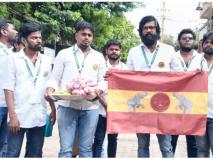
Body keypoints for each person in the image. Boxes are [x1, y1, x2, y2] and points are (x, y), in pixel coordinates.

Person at [45, 21, 107, 157]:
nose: (86, 37)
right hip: (67, 106)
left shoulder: (99, 56)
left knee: (86, 149)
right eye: (83, 34)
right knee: (66, 149)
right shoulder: (64, 54)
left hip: (91, 107)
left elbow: (104, 80)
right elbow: (54, 77)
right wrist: (50, 89)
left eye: (90, 35)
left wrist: (99, 90)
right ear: (76, 35)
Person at [126, 15, 183, 158]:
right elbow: (127, 77)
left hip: (163, 105)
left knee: (166, 146)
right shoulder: (133, 52)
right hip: (142, 106)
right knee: (142, 146)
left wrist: (195, 75)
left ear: (157, 30)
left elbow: (179, 75)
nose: (149, 30)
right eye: (145, 28)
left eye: (151, 27)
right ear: (140, 31)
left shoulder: (169, 50)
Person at [3, 22, 55, 157]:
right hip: (19, 115)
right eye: (34, 37)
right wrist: (12, 116)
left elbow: (49, 84)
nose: (38, 40)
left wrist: (53, 109)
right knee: (12, 153)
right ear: (24, 40)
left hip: (39, 116)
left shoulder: (46, 60)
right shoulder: (13, 59)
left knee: (35, 154)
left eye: (39, 37)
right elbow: (8, 89)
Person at [171, 28, 206, 157]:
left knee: (193, 143)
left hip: (193, 106)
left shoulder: (201, 58)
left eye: (190, 38)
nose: (187, 40)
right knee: (171, 141)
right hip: (174, 105)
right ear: (179, 41)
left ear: (193, 41)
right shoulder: (172, 57)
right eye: (184, 38)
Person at [93, 39, 128, 158]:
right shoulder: (100, 66)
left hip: (116, 110)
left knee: (113, 140)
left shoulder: (126, 69)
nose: (114, 51)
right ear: (106, 51)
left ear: (120, 52)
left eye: (116, 49)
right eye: (111, 49)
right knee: (98, 140)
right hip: (99, 110)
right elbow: (95, 87)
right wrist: (103, 102)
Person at [0, 19, 18, 157]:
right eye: (14, 29)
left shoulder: (11, 53)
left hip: (9, 104)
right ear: (3, 31)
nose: (16, 32)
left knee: (5, 143)